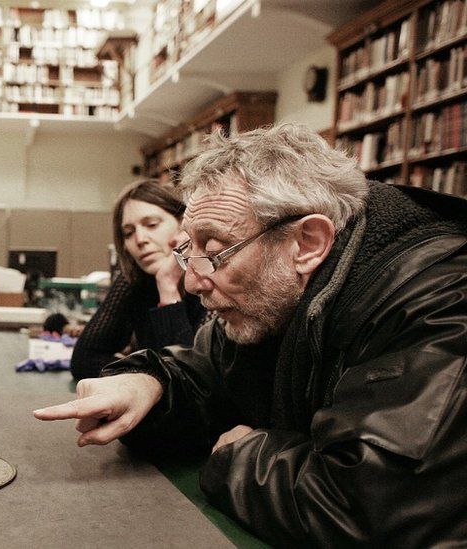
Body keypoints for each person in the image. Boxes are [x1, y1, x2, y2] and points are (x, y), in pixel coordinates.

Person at [34, 124, 467, 546]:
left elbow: (367, 507)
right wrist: (149, 382)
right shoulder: (273, 298)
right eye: (189, 251)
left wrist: (239, 454)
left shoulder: (439, 301)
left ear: (308, 243)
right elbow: (204, 371)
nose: (191, 281)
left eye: (216, 251)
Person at [70, 180, 206, 380]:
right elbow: (84, 360)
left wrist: (168, 287)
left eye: (151, 225)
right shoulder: (136, 278)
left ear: (183, 224)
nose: (140, 239)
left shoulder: (210, 280)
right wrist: (150, 379)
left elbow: (191, 381)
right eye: (128, 233)